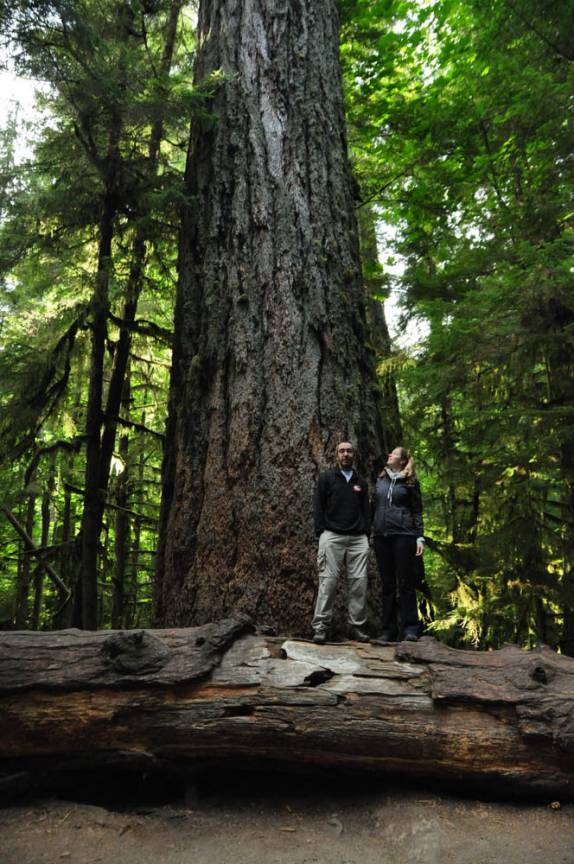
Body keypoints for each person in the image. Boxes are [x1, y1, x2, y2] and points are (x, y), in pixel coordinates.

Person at [311, 440, 371, 644]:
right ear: (336, 455)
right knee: (328, 581)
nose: (346, 454)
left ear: (354, 455)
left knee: (359, 583)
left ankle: (356, 627)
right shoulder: (327, 478)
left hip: (358, 539)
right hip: (332, 536)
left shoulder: (360, 482)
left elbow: (366, 510)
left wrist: (365, 533)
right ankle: (320, 627)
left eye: (349, 451)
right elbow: (318, 505)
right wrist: (321, 532)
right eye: (342, 451)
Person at [372, 446, 424, 644]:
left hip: (404, 535)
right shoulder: (381, 479)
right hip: (381, 537)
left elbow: (417, 511)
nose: (389, 455)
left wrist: (420, 537)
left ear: (402, 461)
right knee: (387, 585)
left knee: (406, 583)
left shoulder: (410, 483)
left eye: (392, 454)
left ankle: (411, 628)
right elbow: (374, 505)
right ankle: (387, 630)